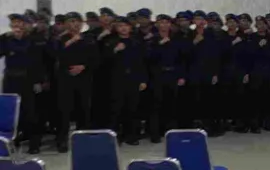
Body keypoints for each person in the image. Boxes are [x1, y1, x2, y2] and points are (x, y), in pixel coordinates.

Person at [51, 12, 98, 152]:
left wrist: (84, 66)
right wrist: (70, 42)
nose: (75, 24)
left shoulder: (89, 39)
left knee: (83, 109)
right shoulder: (59, 39)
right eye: (71, 21)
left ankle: (83, 139)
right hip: (65, 79)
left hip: (84, 79)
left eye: (77, 21)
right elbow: (53, 56)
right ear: (65, 24)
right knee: (64, 111)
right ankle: (62, 140)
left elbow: (96, 59)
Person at [0, 14, 45, 154]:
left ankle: (34, 143)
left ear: (25, 25)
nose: (16, 26)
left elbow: (38, 62)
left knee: (30, 111)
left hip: (28, 79)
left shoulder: (33, 40)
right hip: (10, 79)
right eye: (14, 23)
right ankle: (13, 140)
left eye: (19, 23)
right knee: (12, 111)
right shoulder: (5, 39)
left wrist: (38, 81)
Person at [105, 17, 148, 145]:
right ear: (116, 28)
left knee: (132, 108)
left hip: (133, 78)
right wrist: (115, 50)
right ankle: (115, 136)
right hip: (116, 79)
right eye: (120, 26)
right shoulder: (110, 41)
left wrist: (143, 80)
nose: (123, 28)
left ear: (130, 27)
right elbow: (103, 61)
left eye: (126, 25)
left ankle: (131, 135)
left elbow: (142, 62)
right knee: (116, 108)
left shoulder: (136, 41)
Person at [147, 14, 186, 142]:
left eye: (166, 22)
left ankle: (171, 133)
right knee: (156, 105)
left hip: (173, 75)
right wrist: (160, 45)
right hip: (157, 76)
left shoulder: (176, 38)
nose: (164, 25)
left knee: (172, 105)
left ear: (170, 24)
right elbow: (148, 58)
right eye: (161, 22)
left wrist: (181, 75)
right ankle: (155, 134)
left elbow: (182, 59)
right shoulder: (152, 39)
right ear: (157, 24)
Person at [185, 10, 223, 136]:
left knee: (209, 100)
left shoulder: (211, 34)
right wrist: (194, 42)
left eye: (202, 19)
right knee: (195, 99)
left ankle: (210, 126)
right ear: (193, 21)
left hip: (208, 72)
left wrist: (215, 73)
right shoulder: (189, 34)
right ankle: (196, 126)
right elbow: (184, 54)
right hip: (193, 72)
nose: (199, 21)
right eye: (197, 19)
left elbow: (216, 55)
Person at [222, 14, 253, 132]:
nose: (232, 24)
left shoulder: (243, 36)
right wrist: (233, 43)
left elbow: (248, 56)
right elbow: (221, 53)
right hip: (226, 71)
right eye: (229, 22)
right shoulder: (223, 36)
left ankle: (240, 122)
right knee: (227, 97)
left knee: (240, 97)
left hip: (240, 71)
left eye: (234, 22)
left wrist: (247, 72)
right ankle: (227, 121)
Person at [249, 16, 270, 132]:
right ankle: (255, 124)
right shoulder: (252, 37)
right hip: (256, 72)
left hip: (269, 73)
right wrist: (258, 46)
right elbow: (248, 55)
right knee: (256, 99)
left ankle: (268, 122)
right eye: (258, 24)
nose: (261, 26)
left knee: (269, 98)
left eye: (263, 24)